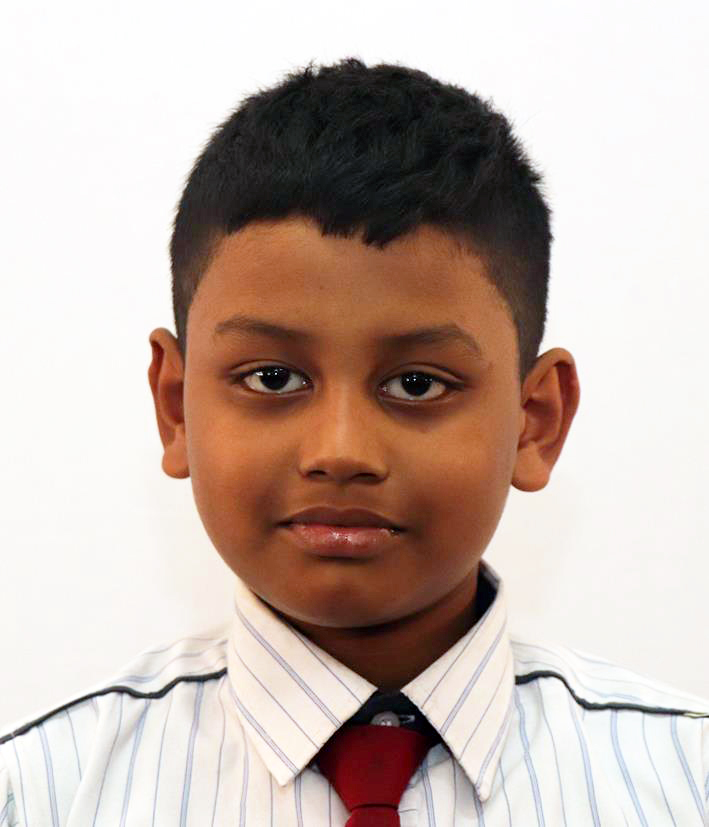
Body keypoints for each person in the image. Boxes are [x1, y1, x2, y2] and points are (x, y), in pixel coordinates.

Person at [1, 56, 707, 826]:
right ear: (175, 407)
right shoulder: (39, 794)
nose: (339, 450)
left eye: (417, 384)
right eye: (273, 377)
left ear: (534, 421)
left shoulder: (685, 784)